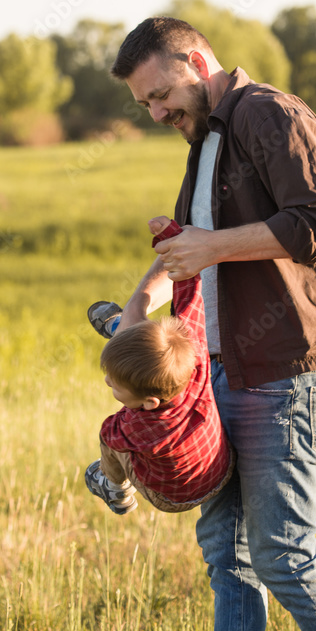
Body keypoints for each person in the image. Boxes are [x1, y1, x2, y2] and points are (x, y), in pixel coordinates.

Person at [109, 17, 316, 631]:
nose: (155, 112)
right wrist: (143, 300)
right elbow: (188, 247)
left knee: (282, 557)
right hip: (221, 373)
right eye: (144, 104)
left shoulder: (268, 114)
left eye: (159, 94)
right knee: (229, 559)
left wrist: (210, 246)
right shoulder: (205, 139)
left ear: (196, 61)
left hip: (287, 371)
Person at [86, 216, 234, 515]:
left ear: (151, 402)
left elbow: (109, 434)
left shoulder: (141, 426)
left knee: (109, 445)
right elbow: (189, 293)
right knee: (153, 347)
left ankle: (114, 489)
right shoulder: (194, 360)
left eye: (115, 385)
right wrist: (172, 237)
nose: (107, 383)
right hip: (223, 469)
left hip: (173, 496)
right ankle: (127, 333)